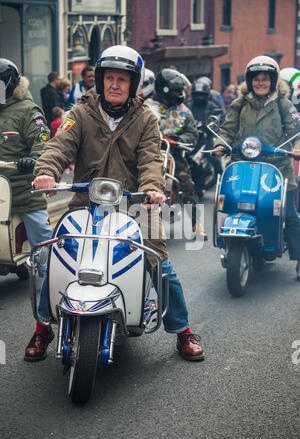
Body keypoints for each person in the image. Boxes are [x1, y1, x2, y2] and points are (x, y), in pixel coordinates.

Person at [26, 45, 205, 362]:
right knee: (60, 252)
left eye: (122, 79)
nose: (114, 85)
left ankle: (183, 331)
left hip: (135, 205)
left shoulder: (146, 119)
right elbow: (58, 148)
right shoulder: (79, 114)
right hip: (86, 203)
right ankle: (43, 328)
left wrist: (152, 189)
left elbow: (152, 161)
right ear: (99, 79)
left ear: (133, 84)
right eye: (109, 78)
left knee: (159, 262)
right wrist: (45, 173)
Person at [213, 55, 300, 280]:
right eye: (256, 78)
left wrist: (297, 148)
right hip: (244, 163)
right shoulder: (239, 103)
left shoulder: (284, 104)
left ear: (273, 80)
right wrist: (221, 144)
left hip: (277, 167)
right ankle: (234, 239)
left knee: (289, 214)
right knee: (232, 202)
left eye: (265, 78)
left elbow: (296, 131)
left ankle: (299, 257)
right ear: (249, 80)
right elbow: (227, 129)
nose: (261, 82)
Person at [0, 58, 54, 358]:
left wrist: (34, 158)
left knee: (46, 260)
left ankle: (43, 327)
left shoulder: (27, 110)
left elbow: (44, 143)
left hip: (23, 194)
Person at [146, 68, 207, 240]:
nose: (180, 94)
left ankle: (196, 223)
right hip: (149, 154)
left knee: (188, 184)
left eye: (181, 90)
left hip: (175, 154)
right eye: (176, 90)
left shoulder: (185, 111)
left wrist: (178, 139)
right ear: (164, 89)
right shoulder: (147, 108)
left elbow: (192, 134)